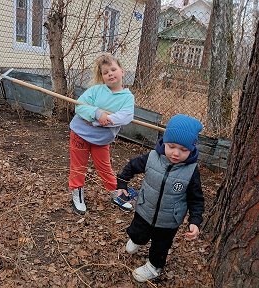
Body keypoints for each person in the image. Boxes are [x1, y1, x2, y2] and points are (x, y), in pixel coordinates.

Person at [116, 114, 204, 282]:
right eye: (171, 146)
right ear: (164, 142)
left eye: (183, 150)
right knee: (137, 232)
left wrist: (195, 220)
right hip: (144, 210)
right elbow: (131, 167)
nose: (176, 153)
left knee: (160, 247)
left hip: (168, 221)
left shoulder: (191, 171)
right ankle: (136, 240)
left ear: (192, 149)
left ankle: (154, 267)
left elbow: (196, 199)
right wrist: (122, 184)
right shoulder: (151, 158)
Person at [69, 53, 135, 215]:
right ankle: (77, 192)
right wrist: (98, 113)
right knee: (78, 165)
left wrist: (103, 120)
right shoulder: (96, 90)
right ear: (102, 77)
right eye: (106, 72)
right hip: (80, 133)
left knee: (104, 167)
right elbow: (80, 107)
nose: (110, 74)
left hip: (101, 139)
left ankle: (116, 193)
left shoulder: (127, 98)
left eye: (113, 69)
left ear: (122, 71)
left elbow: (126, 116)